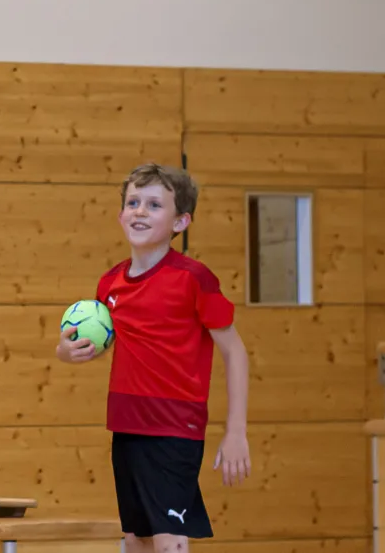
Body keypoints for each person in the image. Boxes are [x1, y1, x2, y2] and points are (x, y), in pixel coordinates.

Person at [56, 162, 253, 553]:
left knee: (169, 540)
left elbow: (235, 351)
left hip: (173, 429)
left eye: (154, 204)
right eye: (133, 203)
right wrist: (67, 352)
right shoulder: (109, 284)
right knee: (136, 539)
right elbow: (110, 344)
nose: (140, 211)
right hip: (126, 427)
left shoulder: (194, 278)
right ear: (120, 215)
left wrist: (236, 432)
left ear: (181, 222)